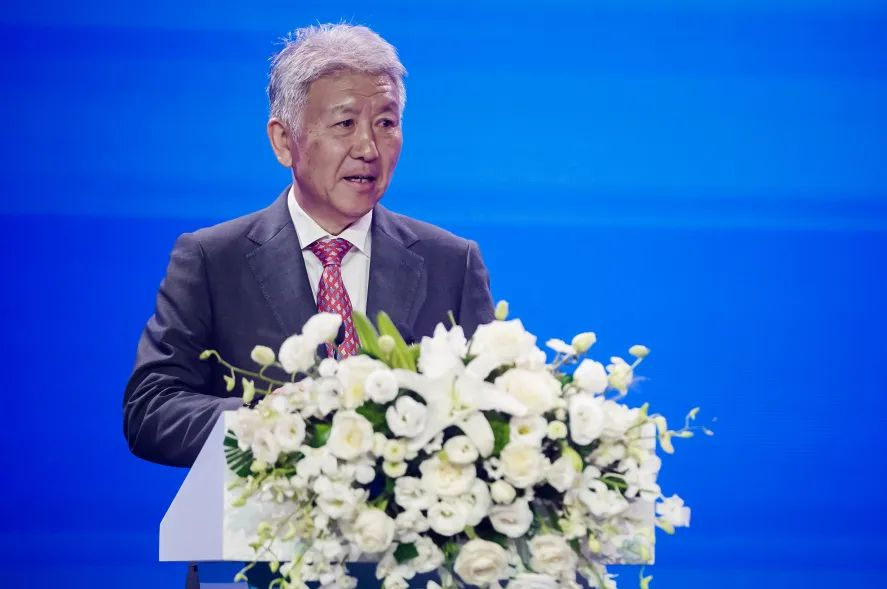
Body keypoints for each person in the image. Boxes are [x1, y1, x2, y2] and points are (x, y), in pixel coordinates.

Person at [123, 24, 495, 468]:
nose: (368, 148)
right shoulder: (212, 260)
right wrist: (266, 420)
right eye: (345, 124)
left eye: (386, 123)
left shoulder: (451, 262)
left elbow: (491, 410)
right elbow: (151, 409)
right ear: (284, 141)